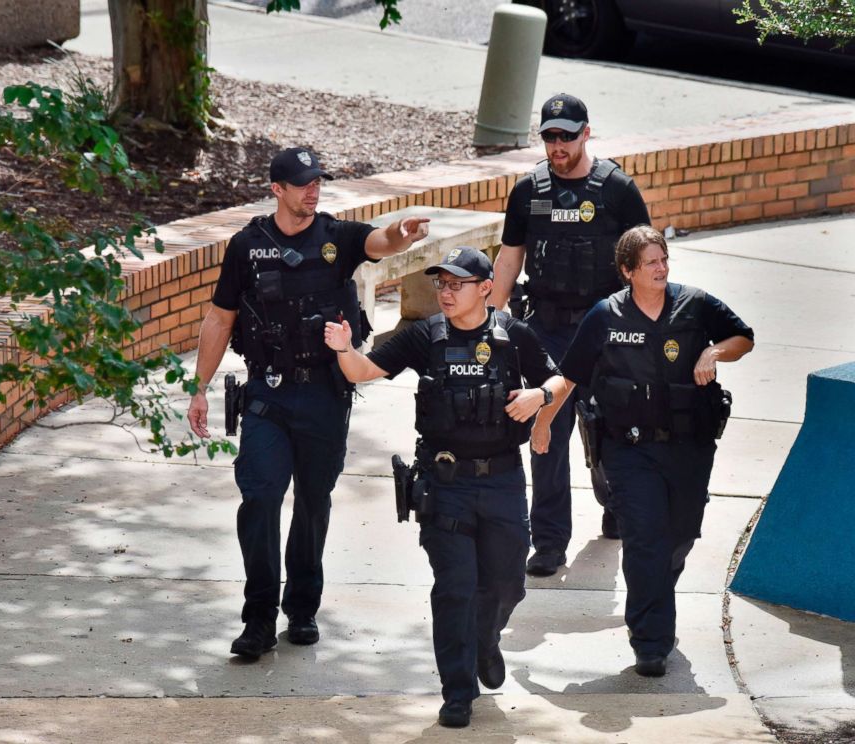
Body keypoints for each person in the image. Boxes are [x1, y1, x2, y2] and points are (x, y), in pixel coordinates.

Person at [187, 147, 430, 661]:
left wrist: (401, 234)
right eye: (302, 183)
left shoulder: (334, 237)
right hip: (268, 395)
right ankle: (258, 618)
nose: (313, 190)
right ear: (277, 189)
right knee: (260, 499)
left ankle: (302, 609)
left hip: (323, 394)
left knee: (314, 502)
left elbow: (377, 241)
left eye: (318, 181)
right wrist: (199, 386)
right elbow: (219, 319)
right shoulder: (246, 246)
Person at [323, 247, 567, 727]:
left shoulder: (514, 336)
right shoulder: (425, 335)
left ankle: (485, 641)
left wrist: (540, 396)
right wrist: (343, 348)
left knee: (506, 584)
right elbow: (363, 372)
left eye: (457, 284)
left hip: (502, 480)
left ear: (485, 288)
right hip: (445, 480)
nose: (447, 292)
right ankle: (458, 691)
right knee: (454, 588)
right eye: (441, 284)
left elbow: (560, 379)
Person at [545, 225, 754, 676]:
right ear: (628, 272)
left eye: (664, 260)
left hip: (689, 448)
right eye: (651, 263)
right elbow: (570, 375)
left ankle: (657, 601)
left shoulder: (695, 304)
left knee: (678, 538)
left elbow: (744, 337)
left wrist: (714, 352)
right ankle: (651, 642)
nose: (661, 269)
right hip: (629, 450)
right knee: (643, 541)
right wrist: (543, 420)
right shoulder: (605, 316)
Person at [491, 93, 652, 577]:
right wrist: (490, 323)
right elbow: (509, 258)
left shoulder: (618, 190)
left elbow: (646, 262)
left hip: (604, 327)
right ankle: (549, 541)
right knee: (548, 429)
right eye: (549, 137)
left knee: (609, 428)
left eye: (566, 135)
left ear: (586, 133)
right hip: (546, 328)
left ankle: (614, 503)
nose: (557, 145)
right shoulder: (528, 191)